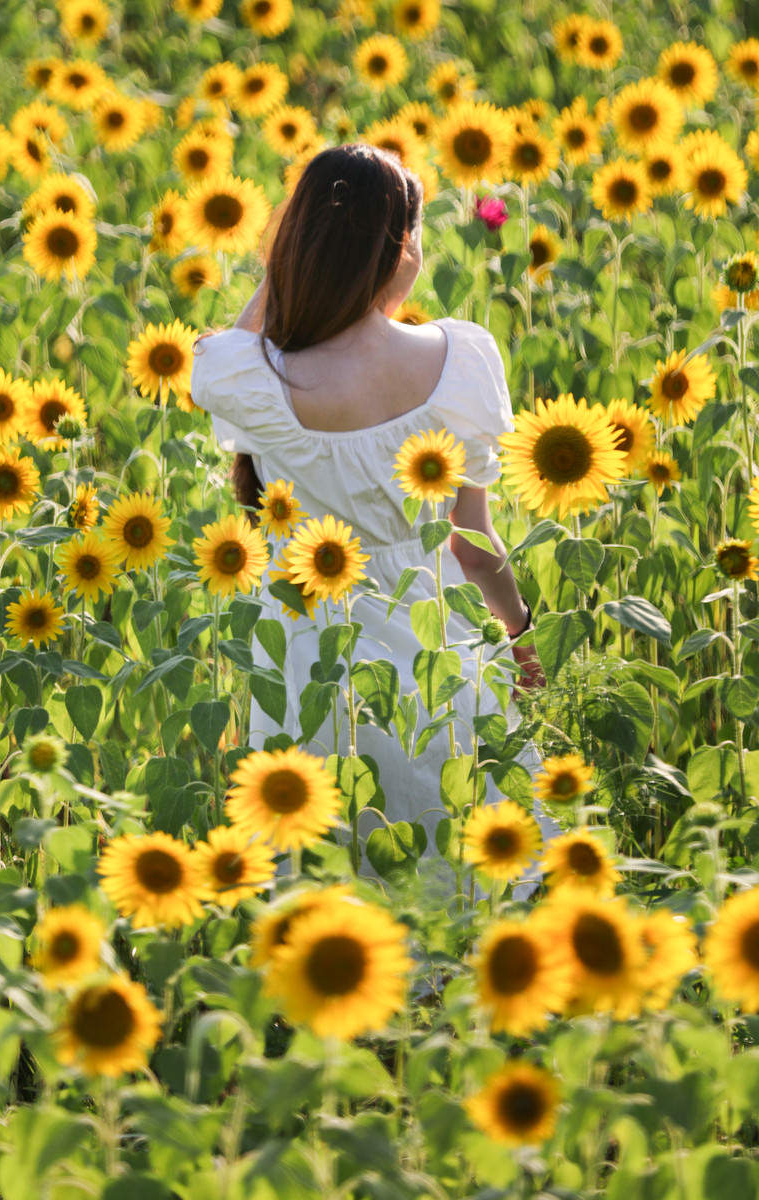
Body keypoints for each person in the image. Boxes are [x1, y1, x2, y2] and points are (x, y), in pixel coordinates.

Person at [190, 143, 556, 877]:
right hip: (432, 640)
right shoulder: (461, 361)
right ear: (401, 248)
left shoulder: (259, 378)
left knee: (325, 854)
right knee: (458, 844)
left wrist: (290, 270)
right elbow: (471, 544)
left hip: (305, 651)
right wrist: (519, 631)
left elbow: (222, 350)